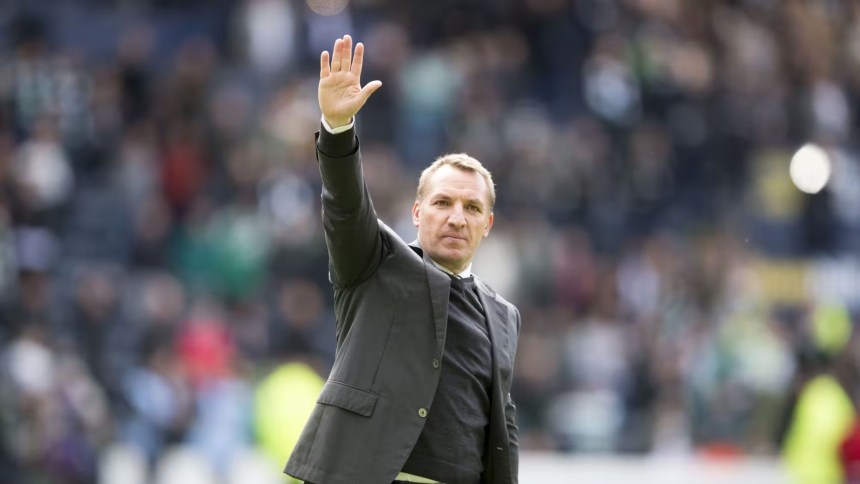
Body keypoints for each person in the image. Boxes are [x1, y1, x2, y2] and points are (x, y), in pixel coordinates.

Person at [284, 35, 521, 484]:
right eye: (442, 203)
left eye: (472, 209)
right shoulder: (376, 263)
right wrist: (336, 129)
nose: (456, 218)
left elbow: (501, 427)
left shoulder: (505, 316)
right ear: (416, 212)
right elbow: (345, 207)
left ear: (487, 224)